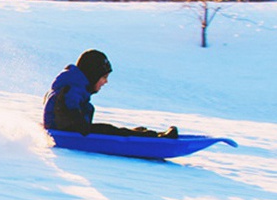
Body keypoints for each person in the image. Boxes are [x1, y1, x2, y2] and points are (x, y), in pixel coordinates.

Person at [43, 49, 178, 138]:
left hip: (69, 130)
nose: (105, 82)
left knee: (111, 130)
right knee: (109, 130)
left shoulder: (73, 85)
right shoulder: (71, 88)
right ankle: (154, 137)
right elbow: (70, 107)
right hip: (68, 133)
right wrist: (81, 125)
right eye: (103, 77)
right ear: (93, 75)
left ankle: (145, 134)